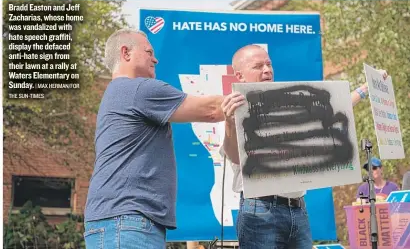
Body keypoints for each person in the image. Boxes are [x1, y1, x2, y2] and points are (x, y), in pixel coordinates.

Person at [220, 44, 388, 249]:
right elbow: (235, 157)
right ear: (240, 75)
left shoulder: (287, 101)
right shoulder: (234, 109)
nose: (267, 70)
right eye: (258, 66)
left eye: (269, 64)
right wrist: (229, 122)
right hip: (260, 210)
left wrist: (367, 88)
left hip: (297, 209)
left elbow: (336, 107)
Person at [83, 29, 237, 249]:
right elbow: (212, 110)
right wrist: (260, 100)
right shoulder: (138, 89)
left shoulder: (116, 93)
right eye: (148, 51)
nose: (155, 58)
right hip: (128, 221)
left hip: (116, 222)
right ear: (125, 53)